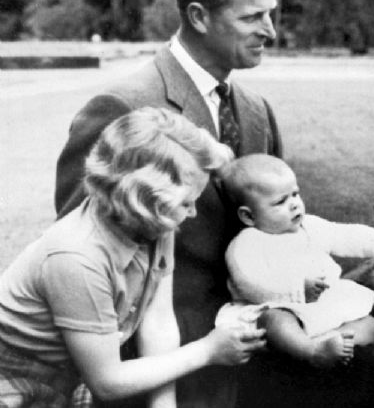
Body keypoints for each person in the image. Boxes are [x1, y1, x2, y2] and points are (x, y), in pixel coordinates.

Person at [54, 0, 282, 408]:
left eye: (270, 13)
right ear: (198, 17)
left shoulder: (258, 113)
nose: (272, 31)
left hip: (260, 349)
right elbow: (81, 266)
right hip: (162, 367)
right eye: (252, 17)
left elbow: (283, 231)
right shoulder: (121, 109)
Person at [0, 108, 266, 408]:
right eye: (186, 204)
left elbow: (158, 320)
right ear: (141, 201)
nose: (191, 214)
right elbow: (108, 382)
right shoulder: (77, 256)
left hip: (76, 369)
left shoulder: (154, 221)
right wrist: (206, 351)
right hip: (17, 379)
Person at [215, 154, 374, 367]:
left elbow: (344, 235)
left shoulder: (309, 226)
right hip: (280, 305)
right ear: (249, 216)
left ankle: (336, 342)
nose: (294, 205)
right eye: (280, 201)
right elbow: (249, 281)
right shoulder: (248, 243)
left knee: (370, 325)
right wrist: (297, 288)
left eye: (295, 194)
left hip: (320, 305)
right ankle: (312, 352)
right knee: (275, 321)